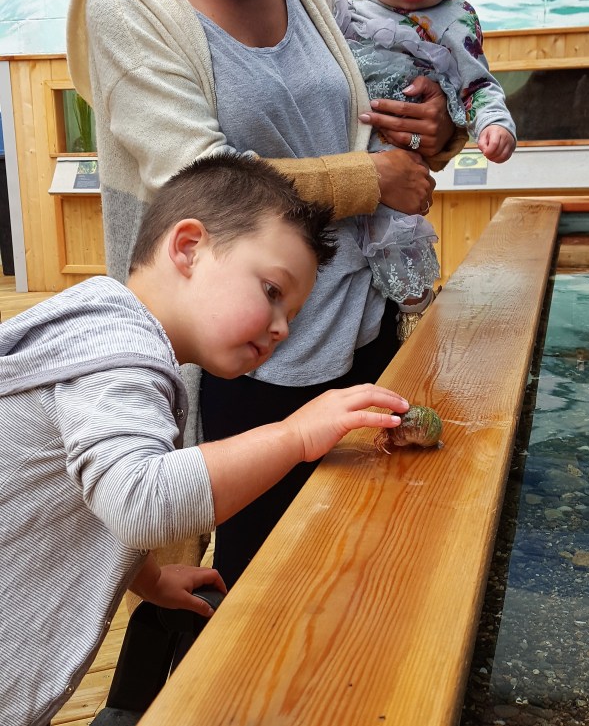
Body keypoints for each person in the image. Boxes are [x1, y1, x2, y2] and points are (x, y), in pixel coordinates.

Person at [66, 0, 465, 589]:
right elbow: (207, 180)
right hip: (245, 348)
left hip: (361, 318)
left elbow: (373, 114)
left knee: (363, 565)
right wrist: (373, 178)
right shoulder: (128, 3)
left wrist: (433, 131)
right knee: (259, 591)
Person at [0, 153, 411, 726]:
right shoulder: (116, 354)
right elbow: (140, 499)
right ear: (188, 247)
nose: (281, 327)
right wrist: (294, 435)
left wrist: (145, 577)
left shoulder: (101, 332)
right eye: (272, 290)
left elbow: (83, 490)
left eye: (292, 314)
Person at [335, 0, 517, 339]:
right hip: (344, 149)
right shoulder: (344, 5)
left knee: (397, 236)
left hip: (400, 156)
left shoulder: (455, 20)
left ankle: (415, 313)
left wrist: (493, 124)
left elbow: (478, 85)